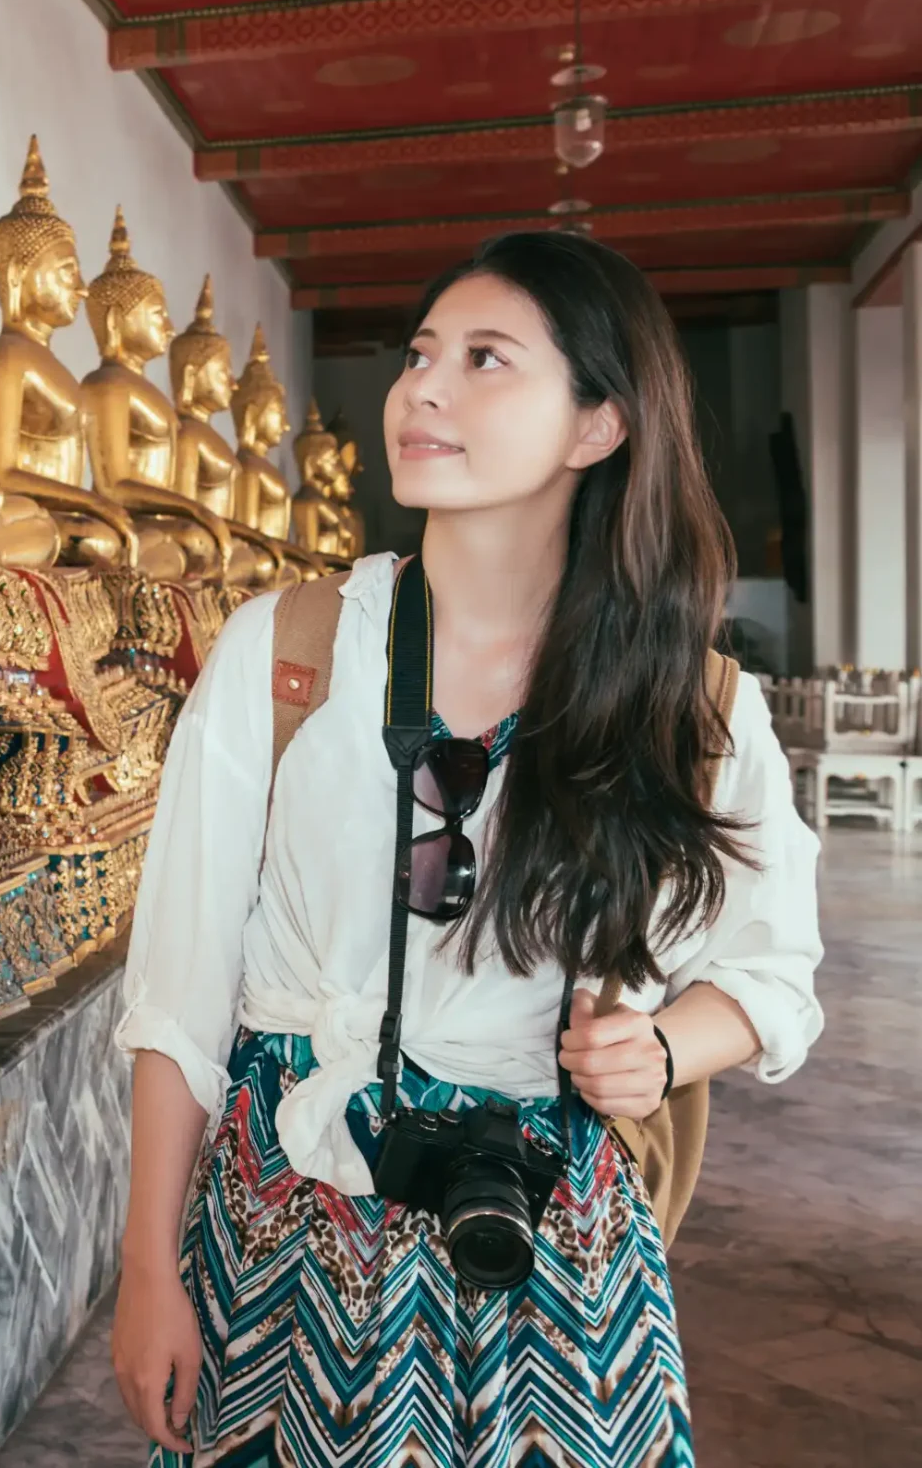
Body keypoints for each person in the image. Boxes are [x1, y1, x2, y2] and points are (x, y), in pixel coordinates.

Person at [108, 231, 823, 1464]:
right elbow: (178, 992)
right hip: (290, 1224)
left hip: (554, 1250)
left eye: (484, 358)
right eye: (418, 354)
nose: (421, 388)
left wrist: (659, 1046)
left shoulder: (689, 704)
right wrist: (144, 1263)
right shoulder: (287, 651)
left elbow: (775, 972)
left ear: (596, 425)